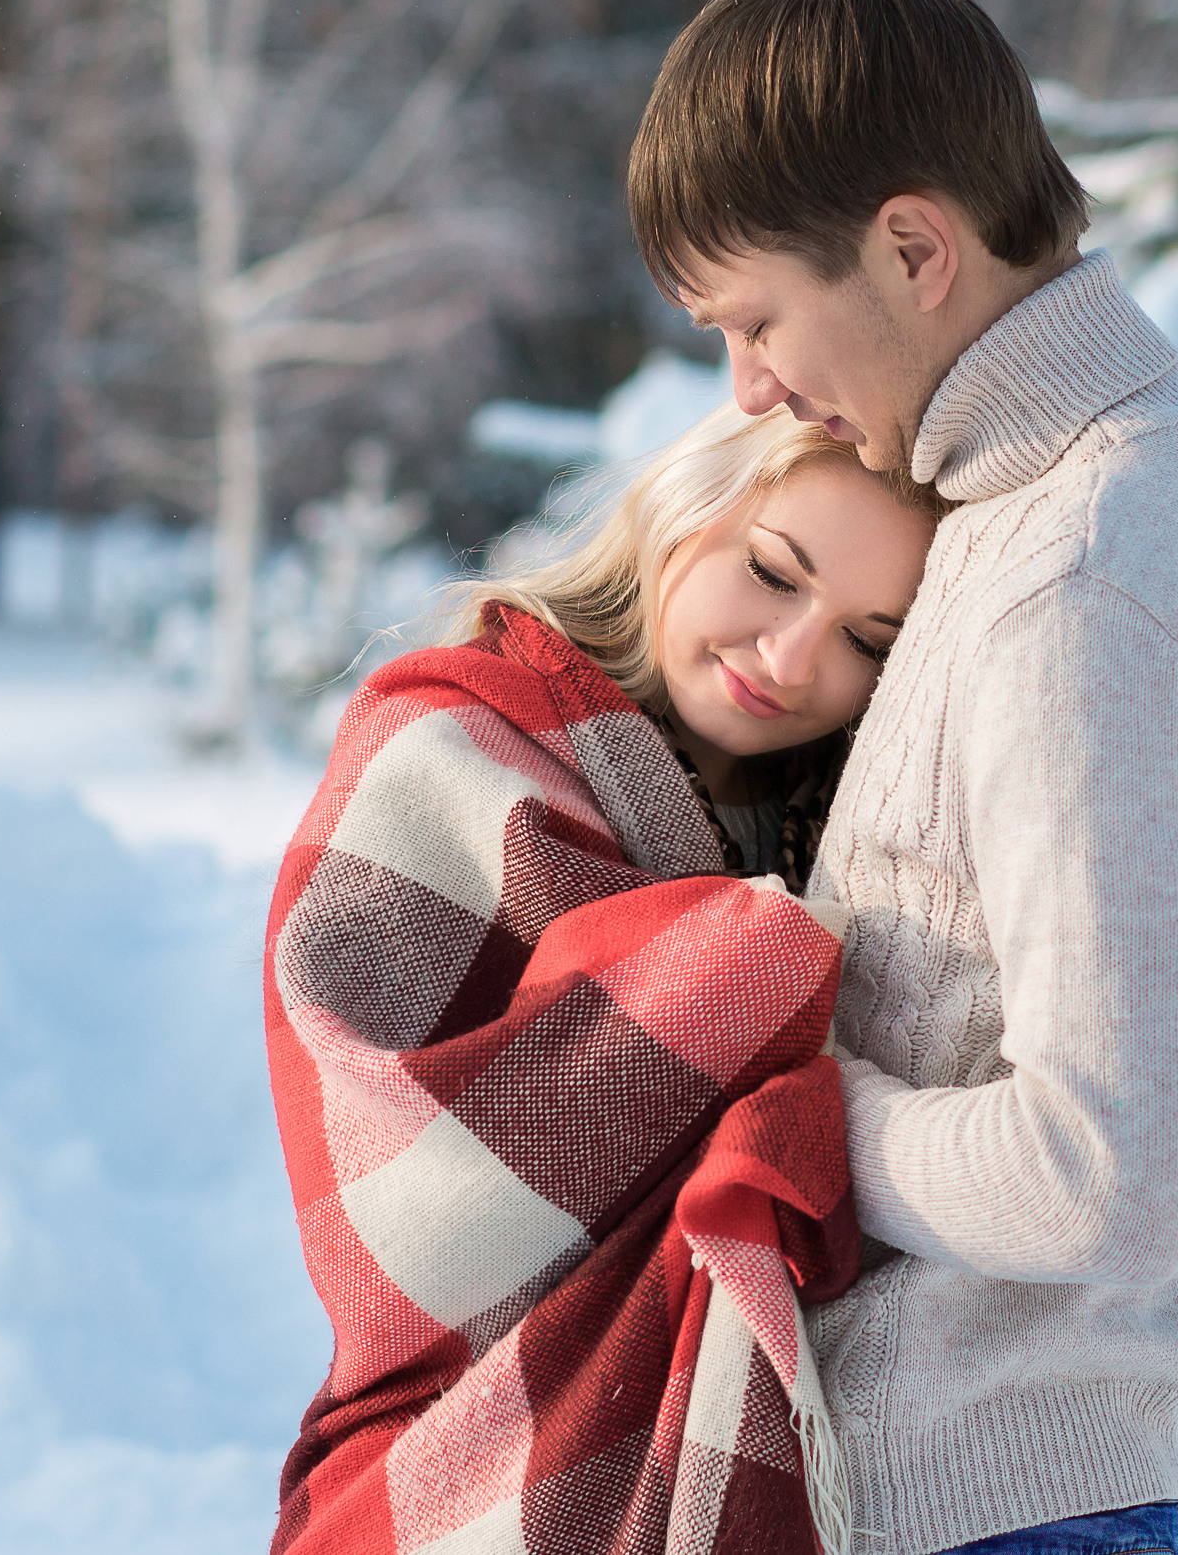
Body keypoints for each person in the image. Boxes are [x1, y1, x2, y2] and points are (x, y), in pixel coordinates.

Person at [626, 0, 1178, 1555]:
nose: (749, 385)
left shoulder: (1078, 573)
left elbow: (1111, 1170)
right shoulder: (1131, 488)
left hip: (978, 1507)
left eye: (758, 319)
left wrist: (791, 1107)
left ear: (912, 248)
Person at [263, 402, 944, 1555]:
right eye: (772, 573)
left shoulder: (852, 824)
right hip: (445, 1445)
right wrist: (750, 977)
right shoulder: (451, 744)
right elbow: (399, 1174)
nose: (789, 659)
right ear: (686, 511)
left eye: (866, 642)